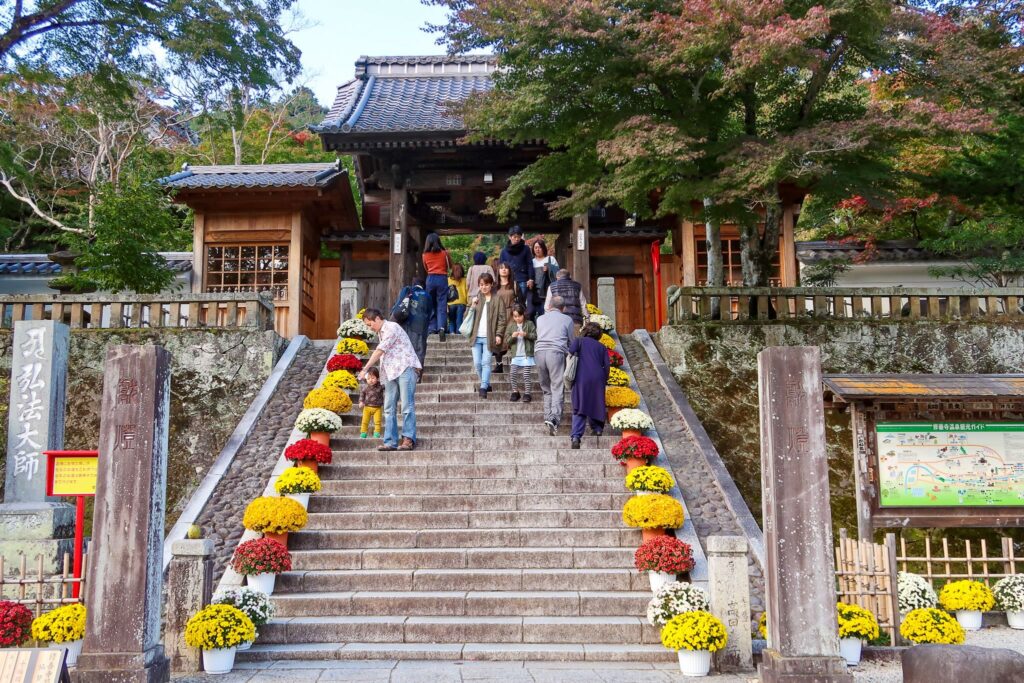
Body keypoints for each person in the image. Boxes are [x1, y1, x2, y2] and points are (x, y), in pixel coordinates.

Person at [359, 309, 421, 452]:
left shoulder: (392, 327)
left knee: (407, 405)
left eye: (370, 324)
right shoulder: (380, 333)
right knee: (388, 407)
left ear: (377, 319)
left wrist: (365, 369)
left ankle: (408, 439)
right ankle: (390, 441)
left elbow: (380, 350)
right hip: (391, 372)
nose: (369, 328)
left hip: (405, 368)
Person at [535, 295, 575, 435]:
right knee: (557, 387)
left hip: (539, 353)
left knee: (546, 388)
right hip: (556, 353)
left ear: (549, 306)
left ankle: (547, 417)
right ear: (563, 308)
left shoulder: (540, 318)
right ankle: (554, 418)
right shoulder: (567, 319)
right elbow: (571, 342)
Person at [568, 322, 610, 449]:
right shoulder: (602, 347)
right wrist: (604, 379)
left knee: (580, 405)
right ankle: (597, 429)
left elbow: (570, 352)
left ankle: (576, 437)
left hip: (582, 376)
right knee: (596, 402)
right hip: (598, 376)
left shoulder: (579, 341)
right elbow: (607, 366)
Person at [467, 273, 507, 399]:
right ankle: (486, 383)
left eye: (486, 284)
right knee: (477, 363)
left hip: (489, 337)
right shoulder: (476, 299)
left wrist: (499, 334)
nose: (484, 287)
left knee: (486, 362)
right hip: (476, 336)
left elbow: (502, 319)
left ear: (491, 285)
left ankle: (483, 387)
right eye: (481, 285)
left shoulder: (497, 299)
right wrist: (472, 306)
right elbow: (466, 318)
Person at [391, 278, 431, 377]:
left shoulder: (408, 291)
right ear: (423, 285)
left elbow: (398, 306)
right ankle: (417, 374)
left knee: (404, 348)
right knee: (418, 349)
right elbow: (430, 312)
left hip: (404, 324)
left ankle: (404, 372)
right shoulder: (427, 296)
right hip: (419, 327)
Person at [503, 303, 536, 402]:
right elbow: (507, 340)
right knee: (512, 373)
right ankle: (515, 392)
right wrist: (513, 336)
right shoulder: (511, 326)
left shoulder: (529, 324)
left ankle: (527, 393)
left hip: (526, 354)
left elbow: (535, 336)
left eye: (519, 316)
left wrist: (526, 334)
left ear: (523, 314)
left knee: (526, 375)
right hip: (516, 354)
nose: (517, 318)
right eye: (515, 316)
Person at [422, 233, 452, 341]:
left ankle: (432, 328)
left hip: (430, 278)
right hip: (442, 278)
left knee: (431, 303)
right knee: (442, 303)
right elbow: (450, 266)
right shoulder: (444, 253)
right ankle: (442, 327)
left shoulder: (425, 255)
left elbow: (426, 268)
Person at [499, 225, 535, 310]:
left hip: (522, 279)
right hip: (508, 281)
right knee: (509, 302)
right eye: (514, 237)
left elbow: (530, 264)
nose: (517, 239)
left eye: (519, 237)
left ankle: (522, 321)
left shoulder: (525, 249)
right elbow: (501, 267)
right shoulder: (504, 251)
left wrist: (531, 278)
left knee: (521, 303)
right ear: (509, 237)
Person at [493, 262, 518, 374]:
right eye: (501, 268)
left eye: (506, 268)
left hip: (512, 315)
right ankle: (499, 365)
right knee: (498, 340)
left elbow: (521, 301)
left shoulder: (514, 285)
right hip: (499, 315)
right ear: (498, 271)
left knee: (513, 339)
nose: (504, 270)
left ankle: (514, 365)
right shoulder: (494, 286)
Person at [531, 239, 558, 319]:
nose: (537, 249)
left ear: (543, 248)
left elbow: (557, 272)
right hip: (534, 291)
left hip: (547, 291)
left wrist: (549, 268)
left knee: (546, 313)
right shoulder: (531, 262)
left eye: (539, 247)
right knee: (532, 313)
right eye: (535, 247)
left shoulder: (551, 259)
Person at [358, 366, 383, 439]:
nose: (370, 380)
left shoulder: (380, 386)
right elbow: (362, 395)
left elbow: (386, 386)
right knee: (365, 421)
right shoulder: (365, 387)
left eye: (373, 378)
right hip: (367, 407)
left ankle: (377, 433)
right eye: (368, 378)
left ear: (377, 378)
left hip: (377, 408)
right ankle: (363, 433)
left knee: (377, 421)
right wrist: (361, 401)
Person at [447, 263, 468, 334]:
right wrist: (467, 303)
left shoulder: (448, 280)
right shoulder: (465, 280)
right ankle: (458, 337)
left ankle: (452, 333)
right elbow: (467, 292)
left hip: (451, 303)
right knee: (459, 321)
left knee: (451, 321)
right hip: (462, 303)